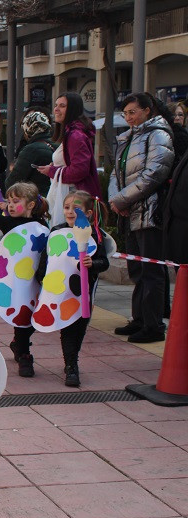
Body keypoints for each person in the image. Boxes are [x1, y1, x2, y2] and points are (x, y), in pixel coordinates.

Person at [108, 92, 175, 343]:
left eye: (133, 112)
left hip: (150, 211)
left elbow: (154, 173)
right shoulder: (129, 137)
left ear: (148, 110)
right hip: (130, 211)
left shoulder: (158, 135)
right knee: (136, 268)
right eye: (125, 113)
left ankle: (153, 324)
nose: (129, 118)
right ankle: (139, 319)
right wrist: (116, 199)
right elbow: (117, 173)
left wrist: (122, 199)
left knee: (151, 270)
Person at [35, 191, 110, 386]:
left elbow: (104, 262)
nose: (70, 211)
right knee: (67, 327)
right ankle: (71, 366)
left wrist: (93, 263)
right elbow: (48, 256)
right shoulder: (57, 231)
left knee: (79, 327)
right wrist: (41, 277)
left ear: (89, 213)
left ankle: (72, 356)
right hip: (61, 292)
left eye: (76, 208)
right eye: (67, 207)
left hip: (83, 293)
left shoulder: (94, 235)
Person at [0, 181, 50, 376]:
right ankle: (24, 354)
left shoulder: (41, 225)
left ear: (30, 205)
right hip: (16, 281)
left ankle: (19, 344)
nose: (10, 205)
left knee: (33, 316)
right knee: (23, 315)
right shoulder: (9, 222)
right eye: (9, 201)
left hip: (35, 280)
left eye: (16, 201)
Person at [36, 93, 101, 198]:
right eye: (56, 105)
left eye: (62, 106)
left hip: (74, 198)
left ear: (73, 109)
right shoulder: (71, 133)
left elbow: (79, 170)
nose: (56, 109)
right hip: (70, 195)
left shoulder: (75, 136)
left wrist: (52, 171)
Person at [5, 111, 57, 195]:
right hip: (56, 197)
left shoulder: (31, 150)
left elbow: (12, 182)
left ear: (28, 129)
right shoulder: (58, 146)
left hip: (36, 200)